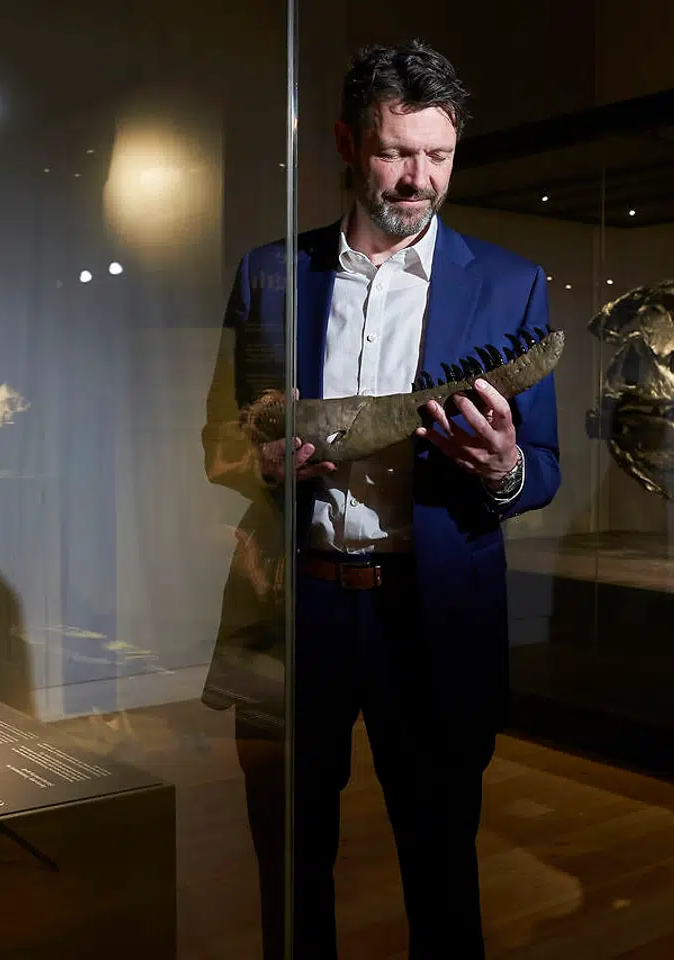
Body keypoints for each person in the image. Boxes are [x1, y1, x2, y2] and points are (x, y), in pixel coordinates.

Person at [200, 38, 560, 959]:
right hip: (293, 606)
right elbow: (217, 441)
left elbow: (544, 465)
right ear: (348, 144)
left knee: (442, 861)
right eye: (397, 153)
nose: (418, 179)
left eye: (437, 156)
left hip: (430, 613)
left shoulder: (512, 285)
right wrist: (262, 463)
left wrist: (504, 467)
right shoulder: (270, 273)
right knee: (287, 856)